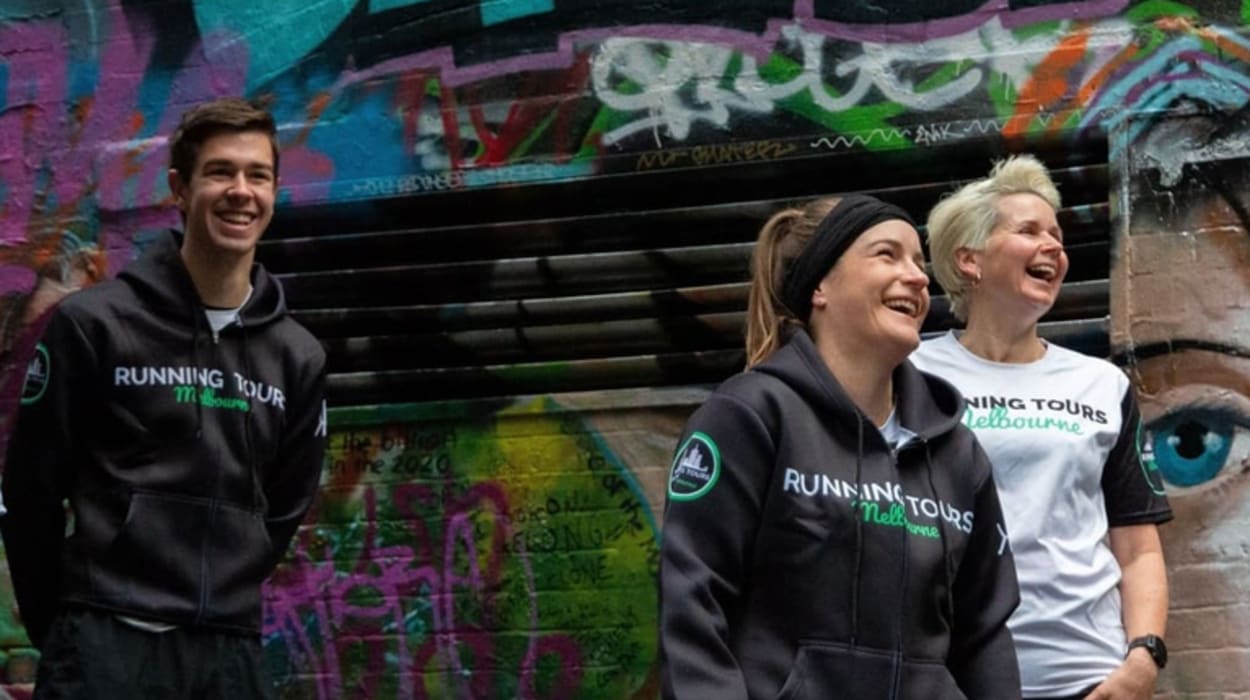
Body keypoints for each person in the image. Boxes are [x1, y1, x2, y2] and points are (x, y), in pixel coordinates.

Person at [0, 96, 327, 698]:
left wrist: (228, 581)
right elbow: (30, 491)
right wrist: (68, 628)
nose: (241, 191)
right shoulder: (95, 325)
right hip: (105, 642)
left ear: (274, 192)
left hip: (227, 653)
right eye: (220, 172)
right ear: (180, 188)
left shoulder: (297, 356)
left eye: (258, 175)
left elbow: (285, 504)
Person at [659, 194, 1021, 699]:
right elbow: (693, 602)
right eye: (887, 255)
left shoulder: (957, 452)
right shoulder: (750, 417)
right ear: (820, 286)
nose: (917, 277)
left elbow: (983, 635)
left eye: (919, 263)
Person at [911, 155, 1172, 700]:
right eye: (1029, 231)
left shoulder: (1101, 384)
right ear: (969, 260)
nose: (1053, 246)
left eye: (1057, 236)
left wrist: (1143, 657)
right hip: (953, 677)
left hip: (1088, 677)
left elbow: (1137, 543)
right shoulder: (912, 374)